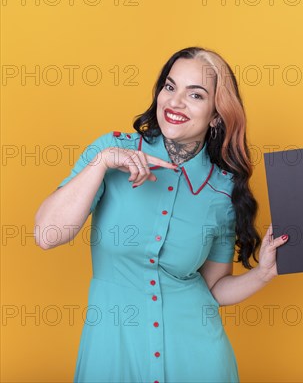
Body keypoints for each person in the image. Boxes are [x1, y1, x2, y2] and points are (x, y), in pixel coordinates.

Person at [34, 46, 289, 383]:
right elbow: (47, 235)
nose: (175, 102)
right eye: (170, 87)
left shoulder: (223, 189)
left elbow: (213, 288)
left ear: (216, 114)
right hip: (113, 353)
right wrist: (103, 162)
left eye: (195, 95)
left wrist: (263, 274)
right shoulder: (111, 151)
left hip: (197, 360)